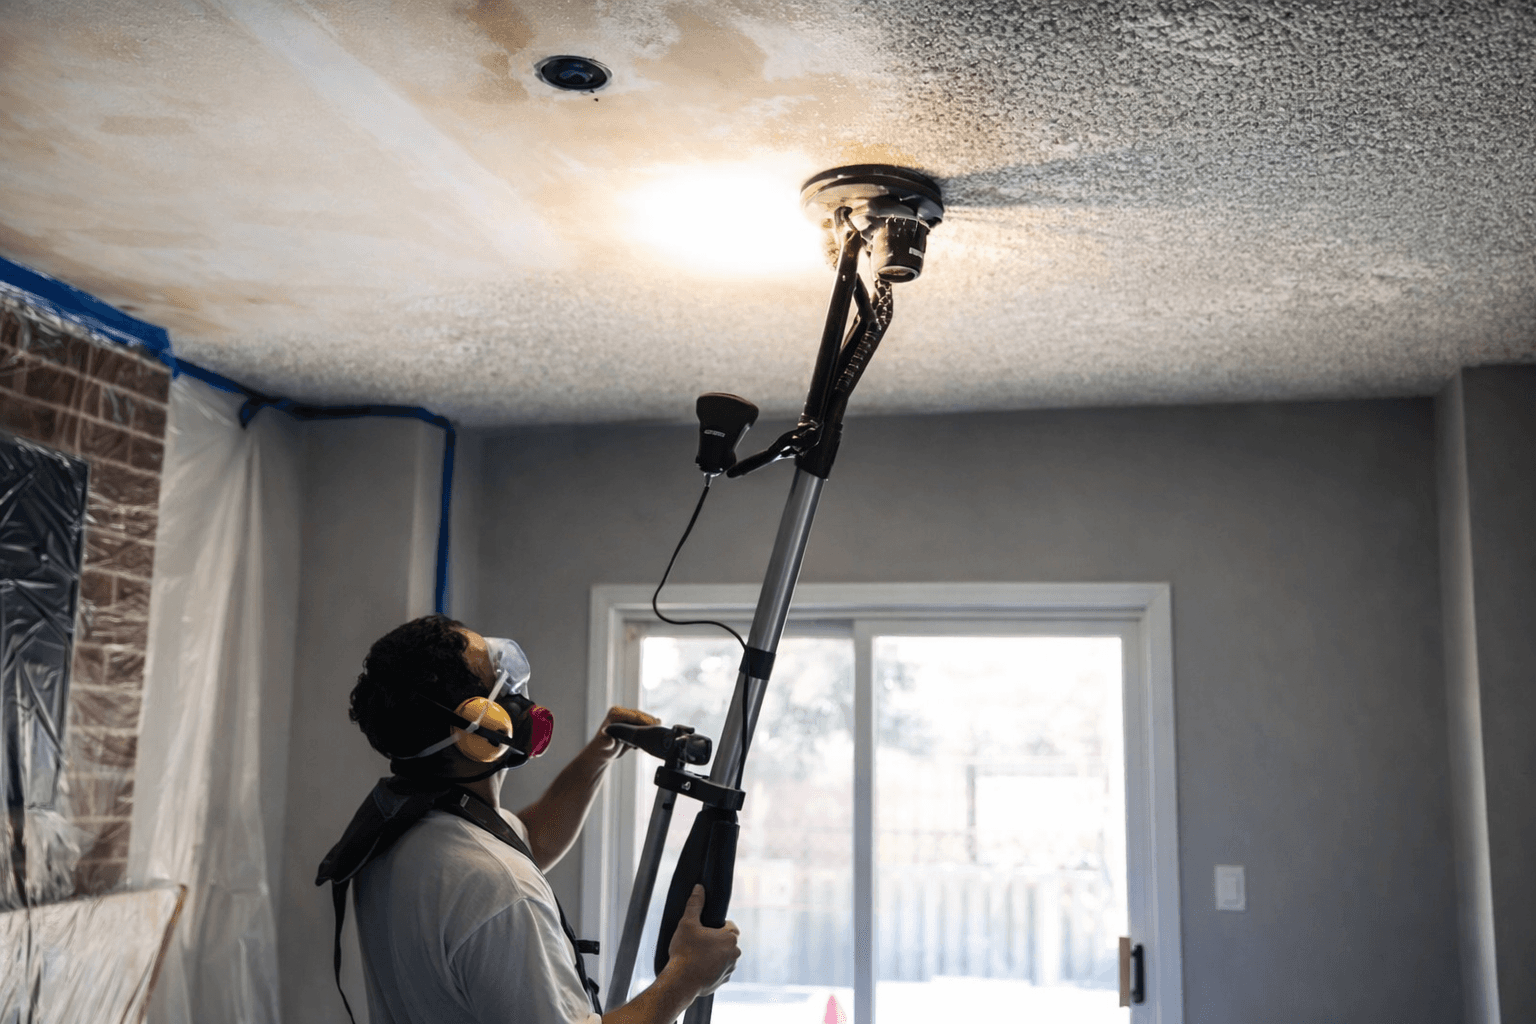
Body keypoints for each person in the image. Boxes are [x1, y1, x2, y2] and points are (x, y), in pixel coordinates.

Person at [328, 614, 741, 1024]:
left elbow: (534, 841)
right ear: (483, 727)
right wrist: (685, 977)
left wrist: (601, 751)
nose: (518, 692)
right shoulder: (499, 885)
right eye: (499, 679)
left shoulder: (405, 828)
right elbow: (501, 873)